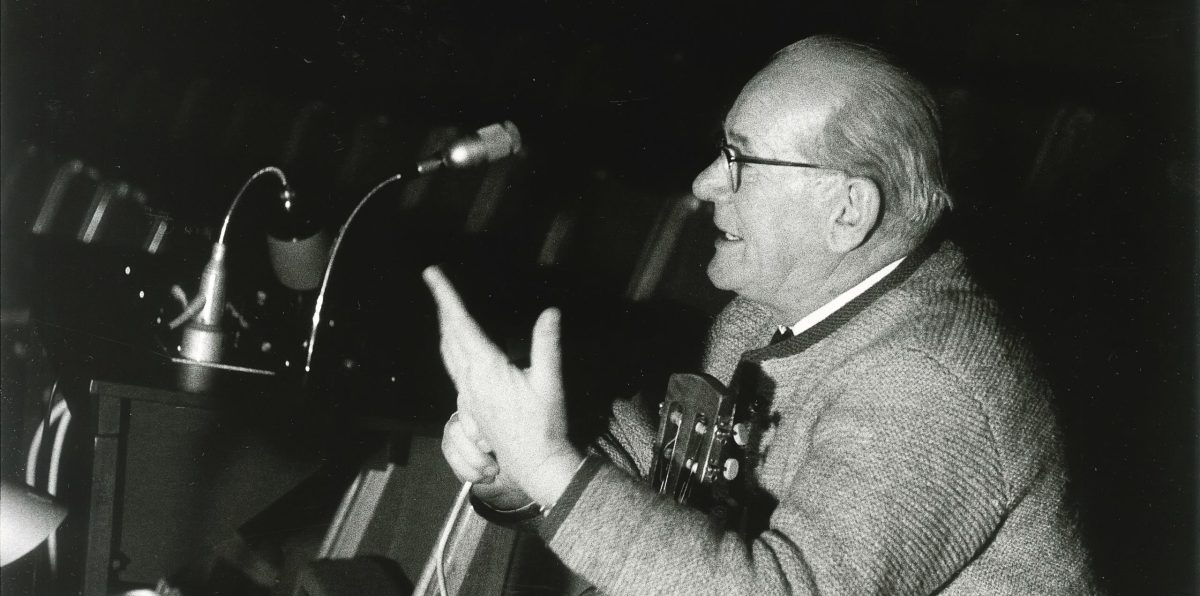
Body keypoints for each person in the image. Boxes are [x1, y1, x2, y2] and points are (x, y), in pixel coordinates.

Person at [423, 34, 1096, 594]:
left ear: (847, 211)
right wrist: (517, 461)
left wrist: (553, 471)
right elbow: (677, 479)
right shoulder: (762, 314)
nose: (704, 182)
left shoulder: (930, 381)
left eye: (740, 159)